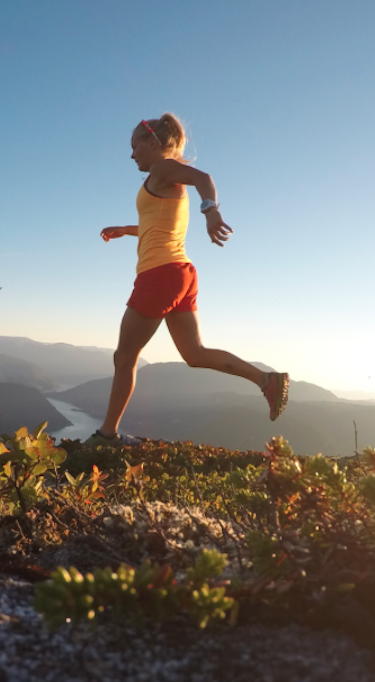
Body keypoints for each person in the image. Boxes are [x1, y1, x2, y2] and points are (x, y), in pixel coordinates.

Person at [86, 113, 288, 447]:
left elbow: (205, 179)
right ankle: (266, 380)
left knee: (124, 358)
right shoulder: (163, 177)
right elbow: (158, 225)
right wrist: (126, 230)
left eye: (134, 146)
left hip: (159, 274)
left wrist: (211, 211)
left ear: (152, 143)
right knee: (194, 354)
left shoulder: (162, 168)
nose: (132, 154)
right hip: (181, 273)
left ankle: (107, 435)